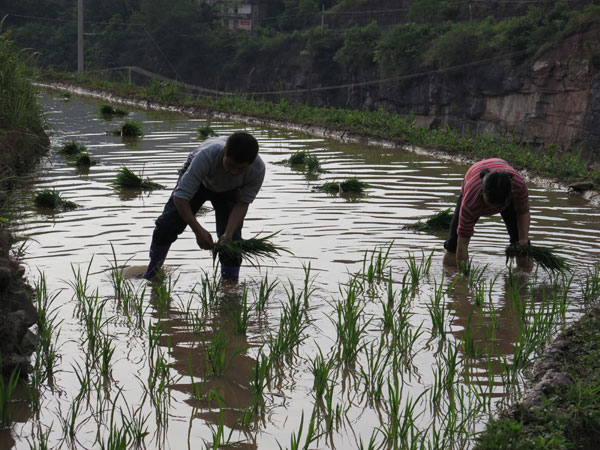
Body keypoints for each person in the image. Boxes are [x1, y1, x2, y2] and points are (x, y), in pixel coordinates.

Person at [143, 131, 265, 281]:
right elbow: (180, 198)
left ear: (250, 164)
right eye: (231, 165)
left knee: (232, 242)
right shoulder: (206, 156)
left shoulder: (257, 169)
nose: (234, 172)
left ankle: (230, 287)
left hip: (231, 190)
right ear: (225, 152)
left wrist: (228, 233)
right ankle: (152, 273)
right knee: (167, 226)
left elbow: (242, 204)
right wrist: (198, 230)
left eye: (241, 169)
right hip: (201, 183)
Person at [443, 158, 530, 268]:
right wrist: (463, 280)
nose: (492, 209)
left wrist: (523, 239)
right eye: (489, 203)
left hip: (506, 194)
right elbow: (462, 244)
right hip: (473, 183)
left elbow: (523, 212)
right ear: (483, 192)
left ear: (509, 195)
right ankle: (451, 274)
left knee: (521, 246)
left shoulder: (518, 185)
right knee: (453, 244)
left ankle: (524, 276)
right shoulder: (471, 200)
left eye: (498, 206)